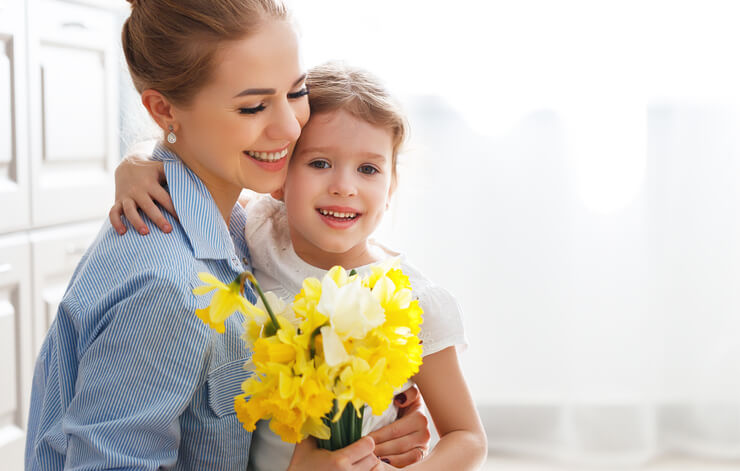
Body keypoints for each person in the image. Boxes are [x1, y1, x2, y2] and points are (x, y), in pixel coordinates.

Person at [25, 1, 428, 470]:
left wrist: (364, 428)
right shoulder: (169, 285)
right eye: (253, 106)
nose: (289, 126)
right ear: (163, 109)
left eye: (296, 93)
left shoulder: (234, 220)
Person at [110, 61, 489, 470]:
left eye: (368, 169)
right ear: (280, 175)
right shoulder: (256, 227)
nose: (344, 186)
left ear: (391, 186)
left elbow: (467, 438)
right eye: (320, 163)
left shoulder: (409, 298)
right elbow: (186, 164)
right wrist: (134, 166)